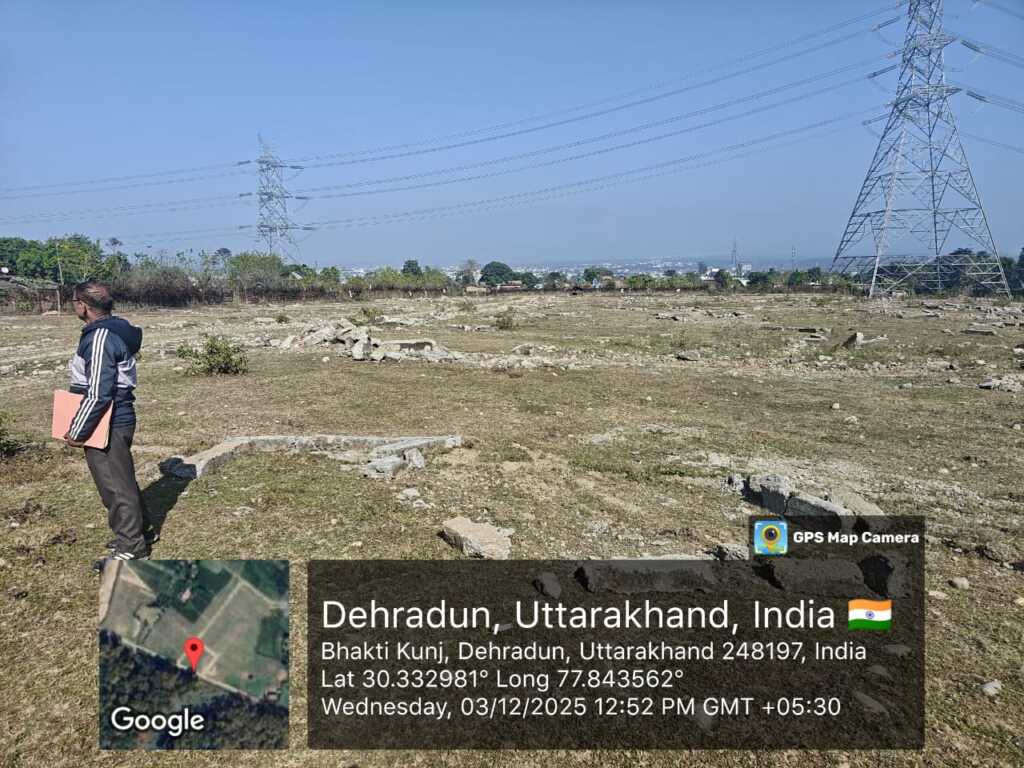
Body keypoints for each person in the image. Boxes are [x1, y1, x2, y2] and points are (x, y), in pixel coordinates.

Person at [62, 280, 157, 571]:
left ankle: (132, 548)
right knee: (120, 479)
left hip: (108, 419)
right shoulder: (112, 329)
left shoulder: (101, 337)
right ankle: (140, 531)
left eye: (74, 301)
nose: (74, 306)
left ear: (83, 306)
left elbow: (98, 392)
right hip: (114, 416)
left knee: (114, 485)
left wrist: (78, 430)